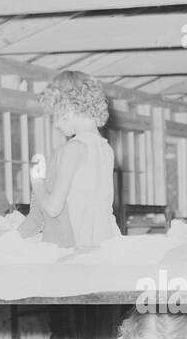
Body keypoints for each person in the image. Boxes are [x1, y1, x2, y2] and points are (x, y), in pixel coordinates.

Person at [15, 70, 121, 247]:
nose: (55, 124)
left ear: (70, 107)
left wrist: (37, 182)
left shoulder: (73, 148)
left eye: (56, 116)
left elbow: (52, 208)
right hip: (104, 243)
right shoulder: (105, 148)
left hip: (74, 246)